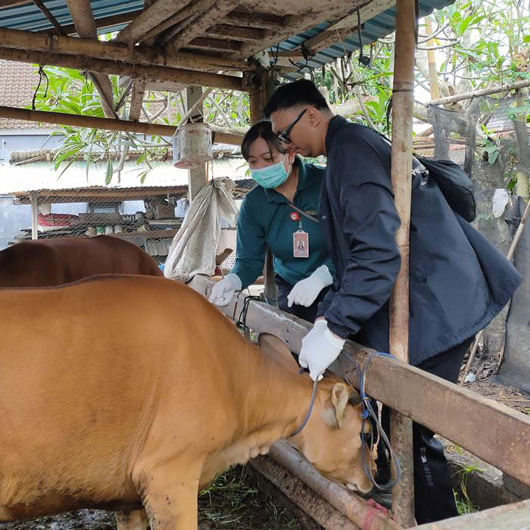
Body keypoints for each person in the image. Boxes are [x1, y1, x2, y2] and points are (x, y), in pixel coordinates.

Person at [263, 79, 522, 524]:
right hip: (431, 291)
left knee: (415, 422)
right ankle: (399, 502)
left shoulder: (350, 151)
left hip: (438, 298)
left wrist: (337, 323)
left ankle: (433, 518)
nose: (287, 146)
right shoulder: (352, 145)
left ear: (310, 115)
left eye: (285, 134)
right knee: (400, 415)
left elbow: (379, 252)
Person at [209, 121, 334, 323]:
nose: (260, 168)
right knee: (293, 346)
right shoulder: (254, 204)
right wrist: (234, 280)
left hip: (341, 286)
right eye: (253, 162)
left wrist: (322, 277)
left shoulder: (327, 184)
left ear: (291, 154)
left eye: (268, 159)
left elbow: (354, 242)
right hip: (291, 288)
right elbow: (249, 260)